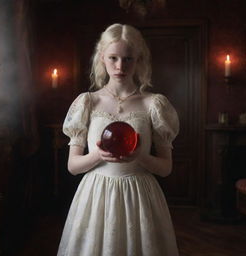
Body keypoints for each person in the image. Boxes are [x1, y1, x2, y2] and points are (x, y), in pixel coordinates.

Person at [57, 23, 180, 256]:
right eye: (113, 58)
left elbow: (166, 168)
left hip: (140, 197)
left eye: (128, 59)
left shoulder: (153, 103)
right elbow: (73, 167)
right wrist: (96, 155)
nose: (120, 66)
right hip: (96, 198)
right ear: (102, 57)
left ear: (139, 60)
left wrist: (141, 156)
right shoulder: (88, 102)